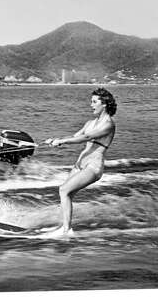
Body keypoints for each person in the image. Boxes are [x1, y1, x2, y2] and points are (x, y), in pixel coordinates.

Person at [43, 88, 117, 237]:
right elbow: (76, 136)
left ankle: (66, 231)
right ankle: (65, 227)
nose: (91, 105)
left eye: (94, 102)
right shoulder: (90, 122)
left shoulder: (108, 125)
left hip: (93, 166)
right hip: (80, 163)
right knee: (67, 193)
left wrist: (62, 141)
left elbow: (87, 137)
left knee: (64, 189)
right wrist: (55, 140)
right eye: (91, 101)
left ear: (105, 104)